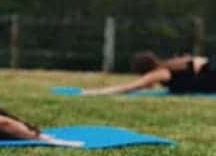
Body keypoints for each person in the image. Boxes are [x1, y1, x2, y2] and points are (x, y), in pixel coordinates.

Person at [82, 52, 216, 95]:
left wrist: (96, 92)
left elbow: (128, 87)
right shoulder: (172, 65)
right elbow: (200, 61)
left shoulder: (158, 73)